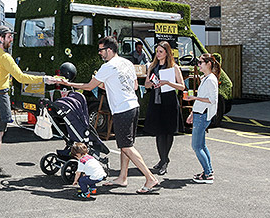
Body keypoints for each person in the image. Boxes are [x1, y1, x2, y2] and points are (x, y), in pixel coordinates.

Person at [60, 36, 159, 194]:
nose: (100, 53)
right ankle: (123, 177)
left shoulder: (108, 66)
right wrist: (107, 84)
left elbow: (88, 86)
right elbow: (133, 86)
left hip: (122, 110)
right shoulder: (127, 63)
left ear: (110, 50)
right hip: (133, 106)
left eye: (101, 50)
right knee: (126, 146)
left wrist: (69, 84)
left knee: (126, 146)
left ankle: (150, 178)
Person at [0, 25, 59, 177]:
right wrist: (44, 79)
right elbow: (21, 77)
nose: (11, 39)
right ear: (1, 38)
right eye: (9, 37)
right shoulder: (4, 57)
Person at [143, 41, 185, 175]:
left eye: (161, 51)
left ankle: (164, 160)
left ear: (167, 53)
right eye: (157, 51)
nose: (158, 54)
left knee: (168, 131)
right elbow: (146, 84)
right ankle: (163, 160)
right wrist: (152, 83)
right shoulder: (152, 66)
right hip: (156, 101)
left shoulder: (174, 67)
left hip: (170, 102)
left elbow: (182, 86)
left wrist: (168, 82)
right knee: (159, 132)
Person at [185, 53, 220, 184]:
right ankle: (208, 171)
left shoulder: (211, 79)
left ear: (208, 64)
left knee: (196, 146)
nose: (198, 65)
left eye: (200, 62)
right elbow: (203, 99)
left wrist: (194, 98)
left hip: (203, 115)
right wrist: (193, 113)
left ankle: (208, 173)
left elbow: (212, 100)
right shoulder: (206, 78)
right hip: (199, 113)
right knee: (202, 145)